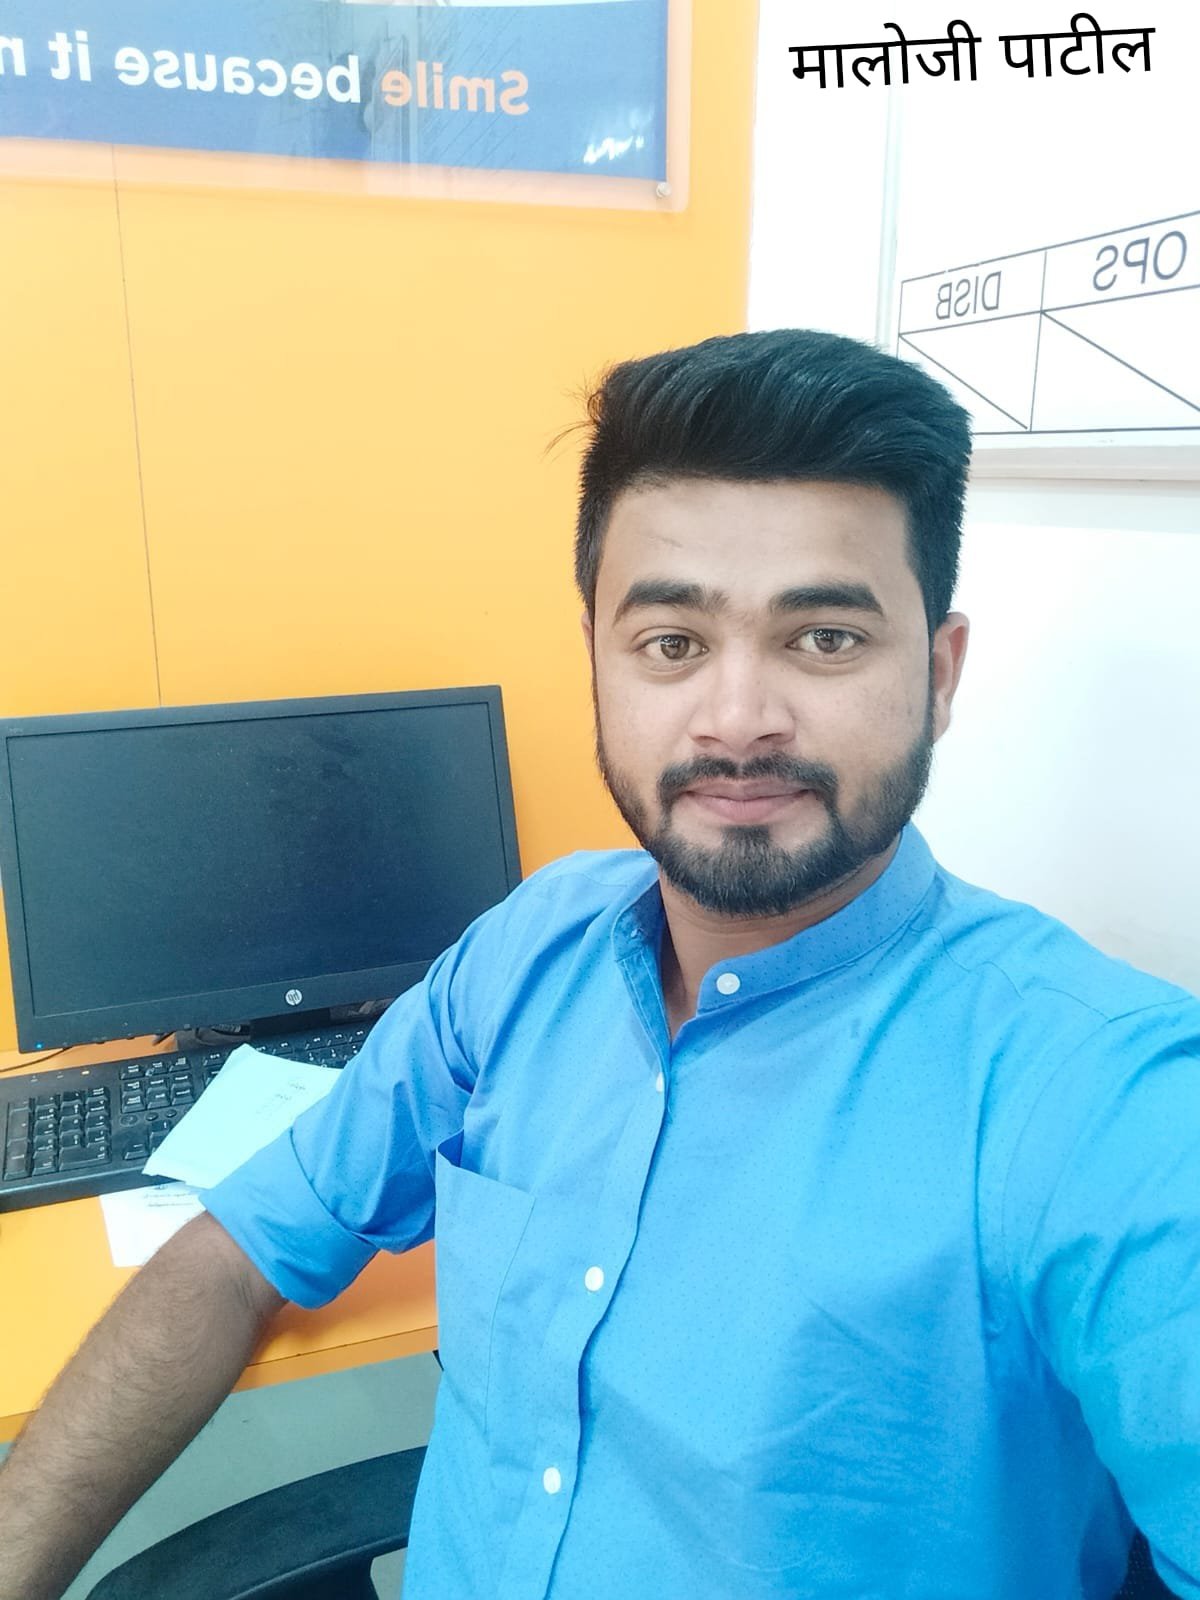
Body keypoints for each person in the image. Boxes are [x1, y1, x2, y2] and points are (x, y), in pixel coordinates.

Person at [2, 329, 1198, 1600]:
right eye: (672, 642)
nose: (738, 720)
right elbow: (238, 1247)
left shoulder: (1108, 1104)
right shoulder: (528, 947)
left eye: (825, 638)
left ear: (940, 676)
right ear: (598, 659)